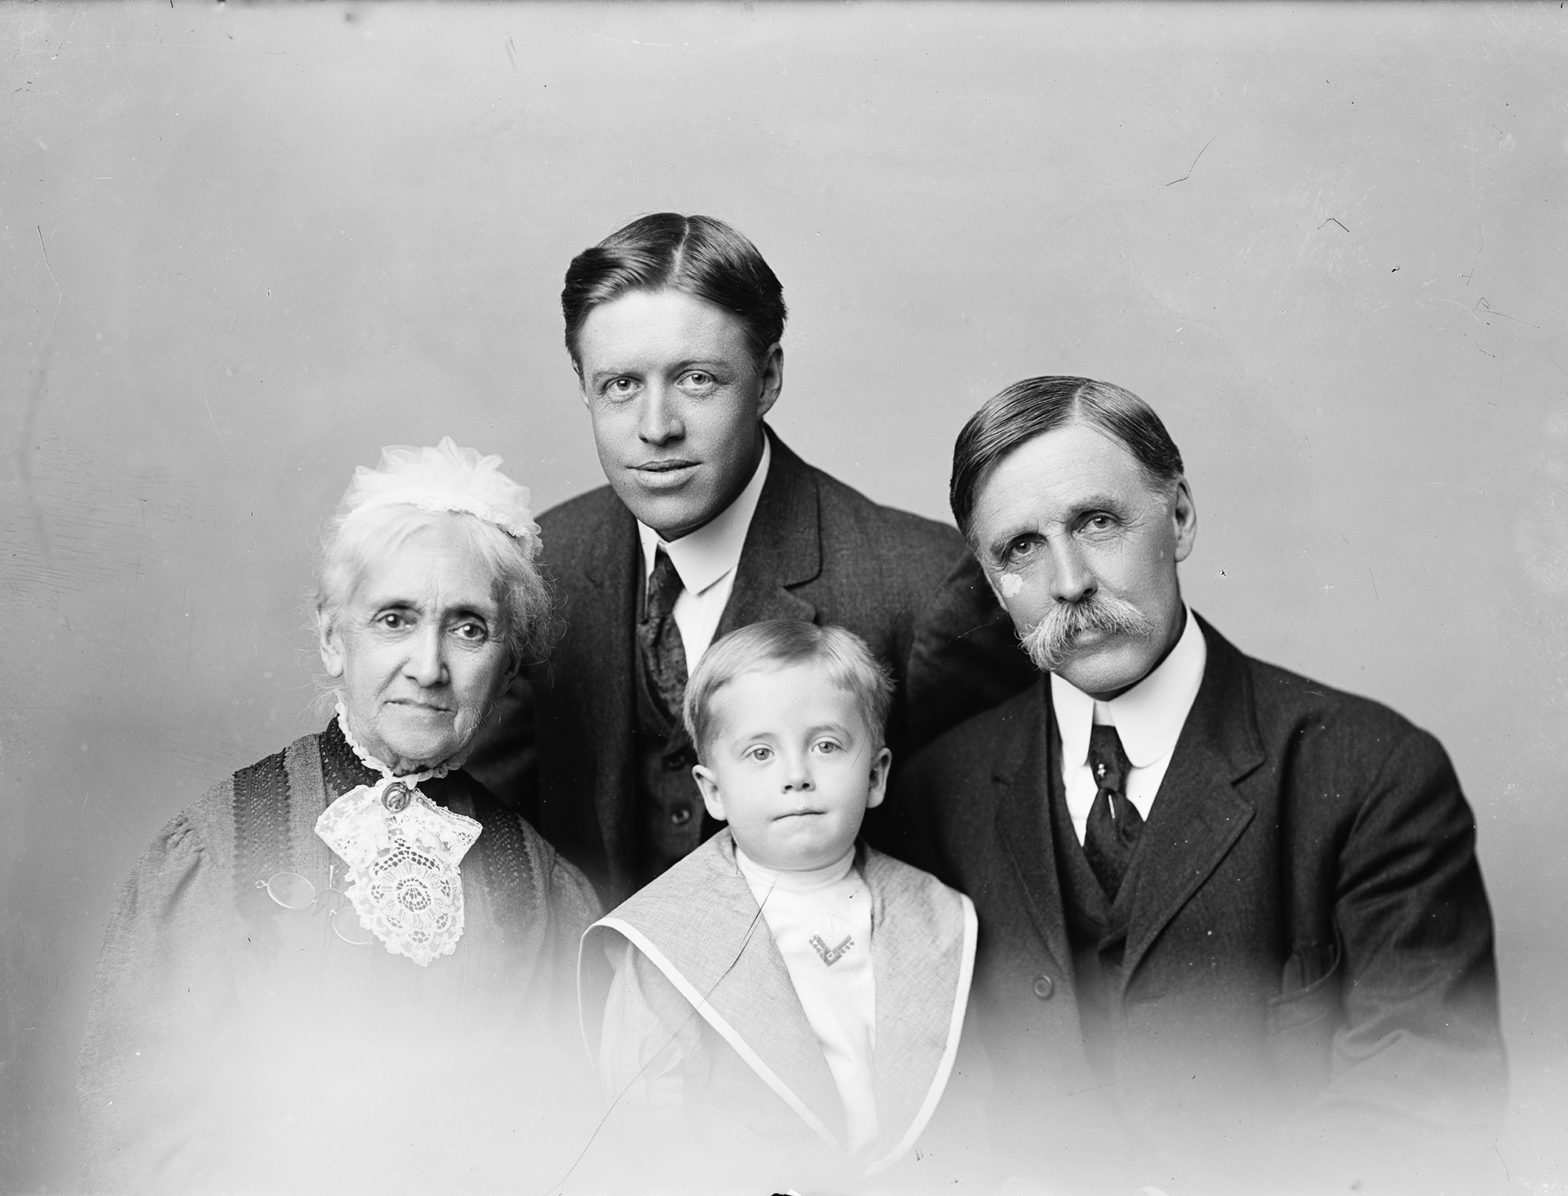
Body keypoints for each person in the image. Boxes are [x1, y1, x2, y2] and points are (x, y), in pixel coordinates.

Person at [904, 377, 1507, 1193]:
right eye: (1021, 548)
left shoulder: (1372, 772)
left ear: (1179, 516)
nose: (1070, 581)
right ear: (988, 574)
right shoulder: (936, 794)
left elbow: (1428, 1103)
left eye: (1098, 522)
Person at [78, 439, 600, 1194]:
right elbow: (144, 1137)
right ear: (333, 638)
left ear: (508, 663)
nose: (428, 666)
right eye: (394, 619)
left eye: (468, 627)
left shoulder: (545, 888)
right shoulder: (220, 844)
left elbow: (573, 1141)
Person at [465, 212, 1034, 903]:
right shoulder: (538, 567)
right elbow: (477, 832)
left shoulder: (922, 586)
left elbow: (990, 885)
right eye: (620, 386)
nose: (656, 427)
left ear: (766, 380)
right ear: (584, 385)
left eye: (698, 379)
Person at [577, 620, 983, 1193]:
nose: (796, 776)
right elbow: (647, 1124)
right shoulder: (667, 938)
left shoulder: (938, 918)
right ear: (712, 791)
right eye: (760, 752)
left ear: (875, 775)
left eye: (826, 746)